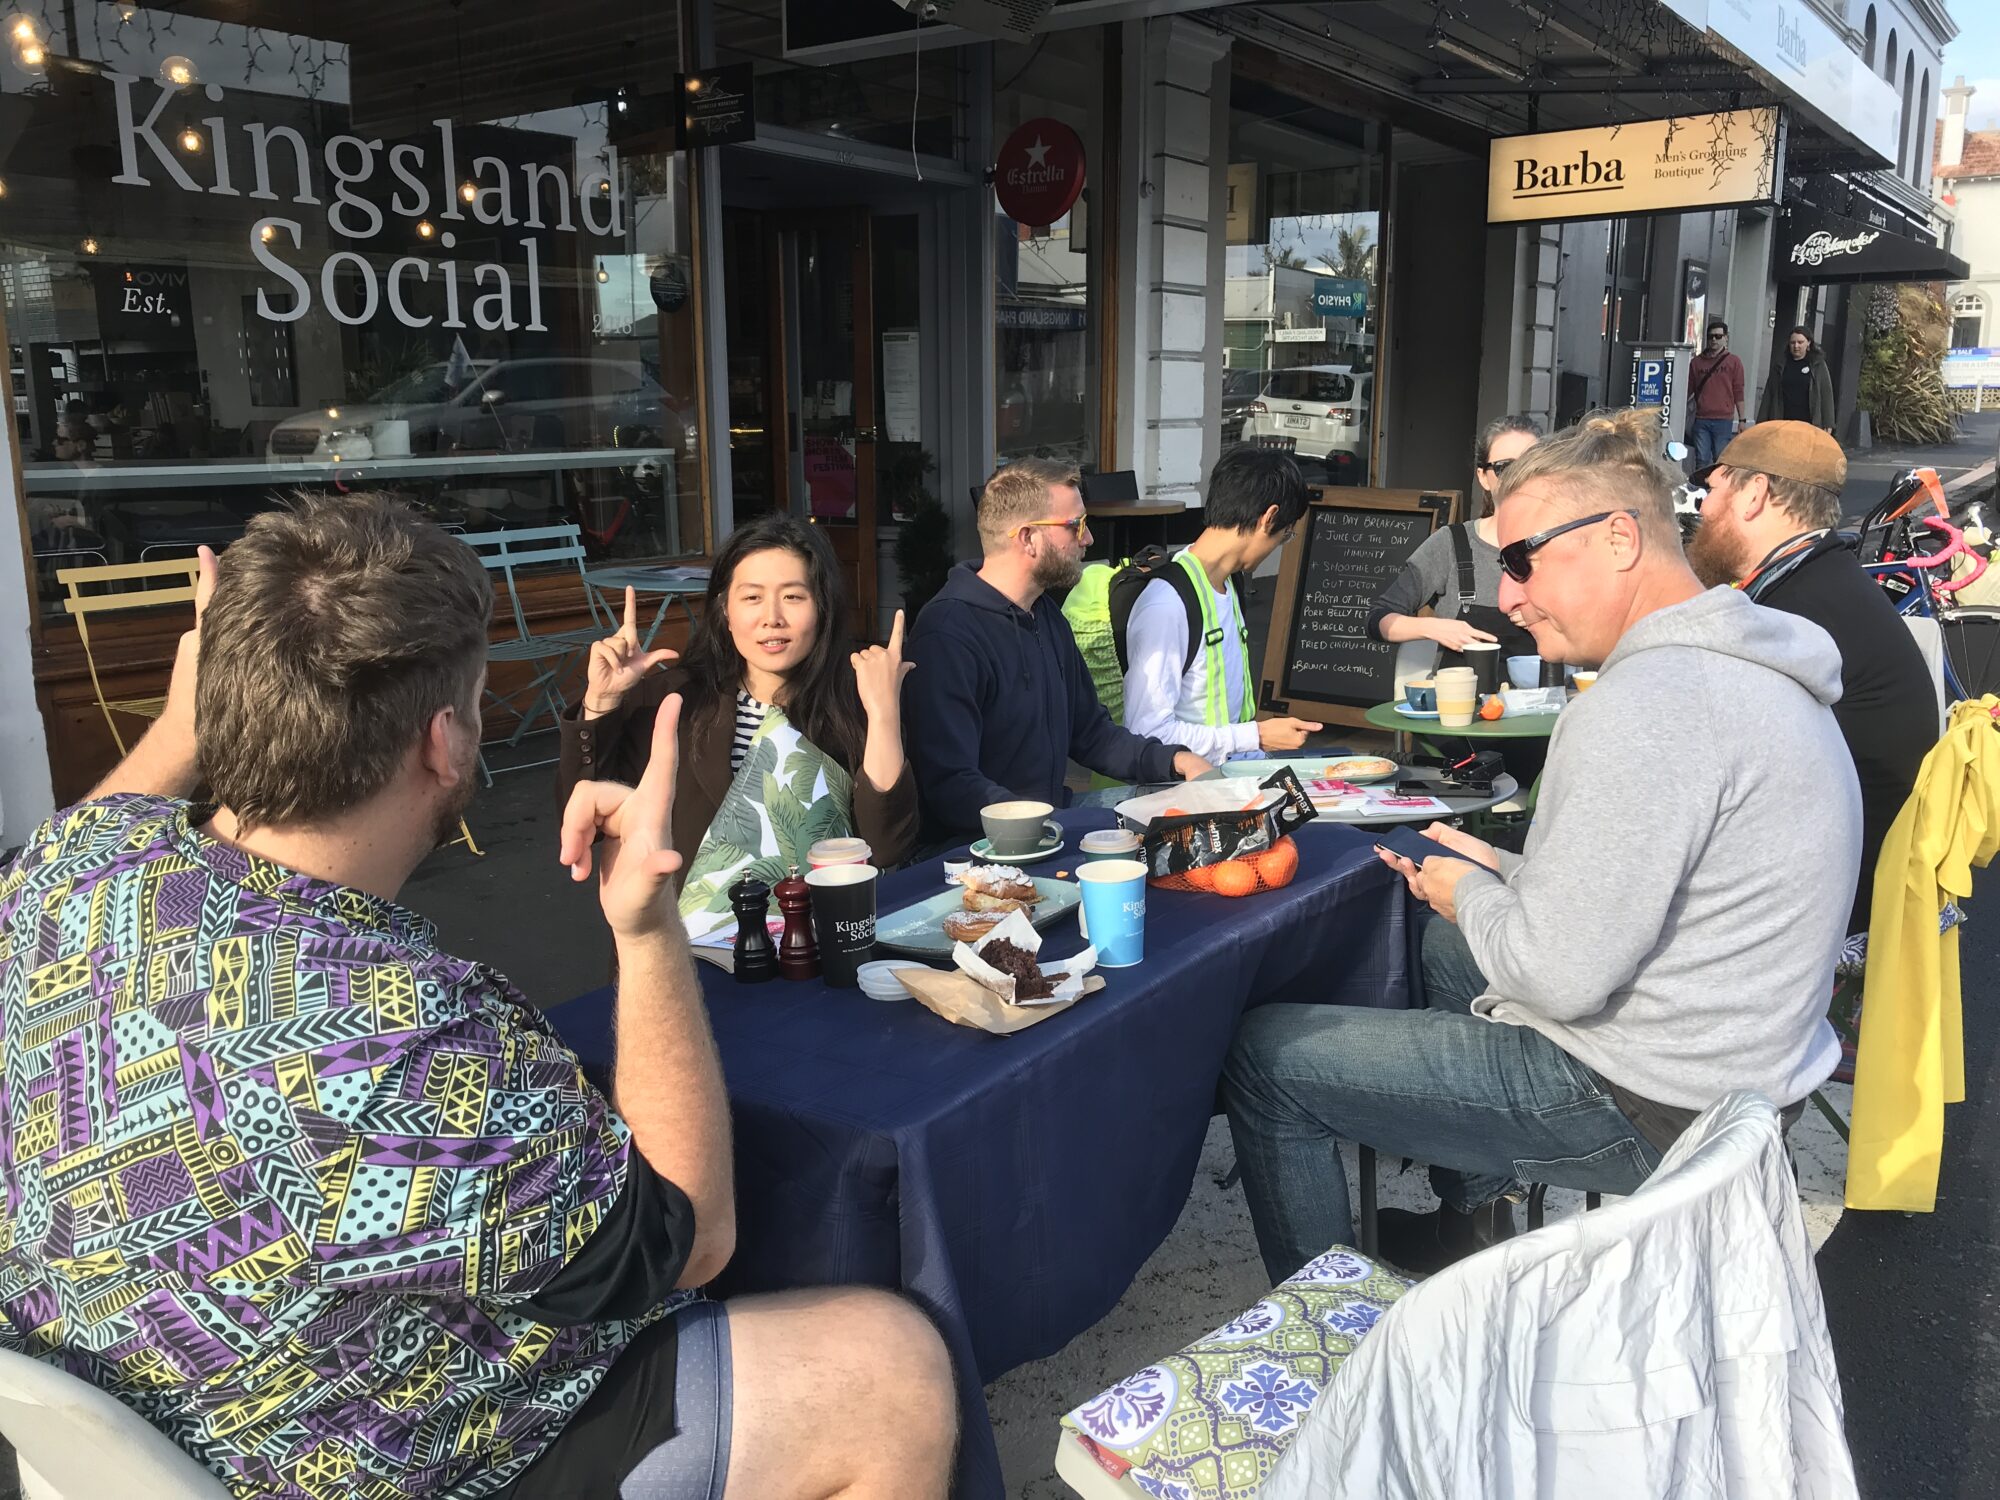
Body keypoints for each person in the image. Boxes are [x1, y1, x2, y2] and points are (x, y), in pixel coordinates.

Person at [0, 498, 956, 1500]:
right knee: (885, 1367)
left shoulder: (65, 872)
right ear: (445, 743)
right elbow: (687, 1237)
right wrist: (646, 926)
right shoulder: (404, 1044)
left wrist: (194, 711)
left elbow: (133, 795)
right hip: (388, 1457)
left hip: (113, 1434)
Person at [1223, 410, 1859, 1283]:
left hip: (1652, 1103)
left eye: (1522, 560)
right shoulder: (1758, 662)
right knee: (1447, 947)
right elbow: (1662, 892)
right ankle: (1471, 1224)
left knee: (1266, 1055)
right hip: (1750, 1077)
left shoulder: (1645, 703)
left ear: (1620, 538)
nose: (1510, 595)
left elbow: (1559, 973)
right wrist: (1500, 869)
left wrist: (1472, 891)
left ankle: (1335, 1357)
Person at [558, 513, 918, 936]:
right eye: (751, 598)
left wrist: (883, 712)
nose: (772, 618)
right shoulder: (671, 700)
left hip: (814, 952)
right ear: (725, 610)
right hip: (680, 953)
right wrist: (602, 701)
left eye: (794, 597)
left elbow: (888, 844)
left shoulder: (856, 701)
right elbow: (580, 818)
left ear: (822, 608)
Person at [1687, 420, 1935, 937]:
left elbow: (1708, 765)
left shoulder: (1791, 617)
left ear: (1754, 493)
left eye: (1711, 490)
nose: (1703, 508)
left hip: (1822, 910)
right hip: (1860, 874)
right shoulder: (1823, 580)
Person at [902, 458, 1213, 846]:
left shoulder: (1044, 612)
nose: (1088, 540)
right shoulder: (947, 634)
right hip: (976, 856)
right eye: (1076, 525)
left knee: (1180, 828)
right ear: (1028, 537)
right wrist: (1057, 825)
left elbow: (1090, 732)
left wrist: (1174, 760)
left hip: (1047, 829)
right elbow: (950, 784)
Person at [1119, 446, 1323, 763]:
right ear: (1268, 519)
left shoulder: (1229, 583)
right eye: (1285, 534)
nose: (1280, 545)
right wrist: (1255, 735)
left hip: (1230, 788)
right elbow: (1148, 735)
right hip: (1185, 800)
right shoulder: (1166, 604)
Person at [1368, 415, 1544, 669]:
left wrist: (1548, 619)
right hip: (1459, 703)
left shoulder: (1561, 543)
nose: (1519, 477)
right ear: (1483, 477)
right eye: (1505, 467)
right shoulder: (1452, 544)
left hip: (1541, 704)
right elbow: (1377, 619)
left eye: (1530, 465)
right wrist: (1434, 627)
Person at [1686, 320, 1747, 468]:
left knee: (1720, 460)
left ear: (1726, 338)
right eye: (1711, 336)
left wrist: (1742, 420)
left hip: (1723, 419)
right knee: (1701, 459)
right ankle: (1702, 489)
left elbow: (1738, 391)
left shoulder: (1734, 362)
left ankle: (1717, 489)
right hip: (1701, 419)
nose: (1714, 339)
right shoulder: (1696, 362)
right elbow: (1688, 390)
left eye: (1718, 336)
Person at [1759, 325, 1837, 433]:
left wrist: (1828, 422)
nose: (1796, 346)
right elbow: (1769, 395)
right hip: (1782, 424)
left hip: (1809, 425)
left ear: (1808, 342)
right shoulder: (1780, 365)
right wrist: (1761, 422)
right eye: (1793, 342)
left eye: (1800, 342)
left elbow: (1826, 393)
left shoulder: (1817, 365)